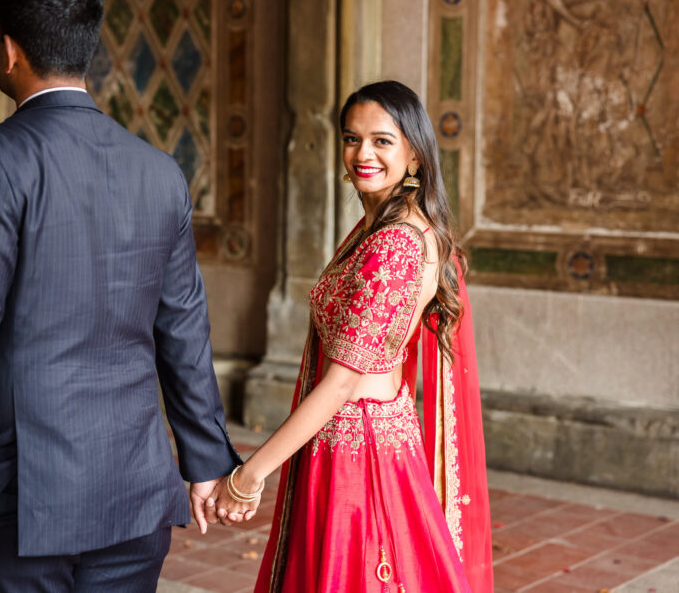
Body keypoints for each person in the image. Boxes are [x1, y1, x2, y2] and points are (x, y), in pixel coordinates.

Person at [0, 0, 241, 593]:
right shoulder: (159, 171)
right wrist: (203, 461)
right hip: (135, 490)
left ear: (7, 50)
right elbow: (184, 331)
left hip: (15, 498)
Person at [206, 81, 494, 592]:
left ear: (415, 155)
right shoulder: (382, 229)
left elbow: (341, 384)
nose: (363, 153)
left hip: (360, 456)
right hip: (357, 440)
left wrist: (250, 475)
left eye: (383, 140)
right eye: (351, 138)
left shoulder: (395, 246)